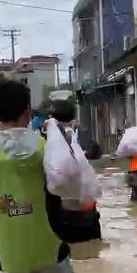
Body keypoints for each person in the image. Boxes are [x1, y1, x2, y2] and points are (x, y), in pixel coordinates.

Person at [0, 80, 73, 273]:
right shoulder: (47, 148)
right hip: (51, 251)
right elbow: (67, 186)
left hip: (11, 257)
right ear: (27, 112)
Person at [42, 95, 102, 243]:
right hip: (87, 212)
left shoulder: (45, 138)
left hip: (61, 212)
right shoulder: (79, 135)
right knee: (92, 255)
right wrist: (84, 131)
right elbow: (97, 152)